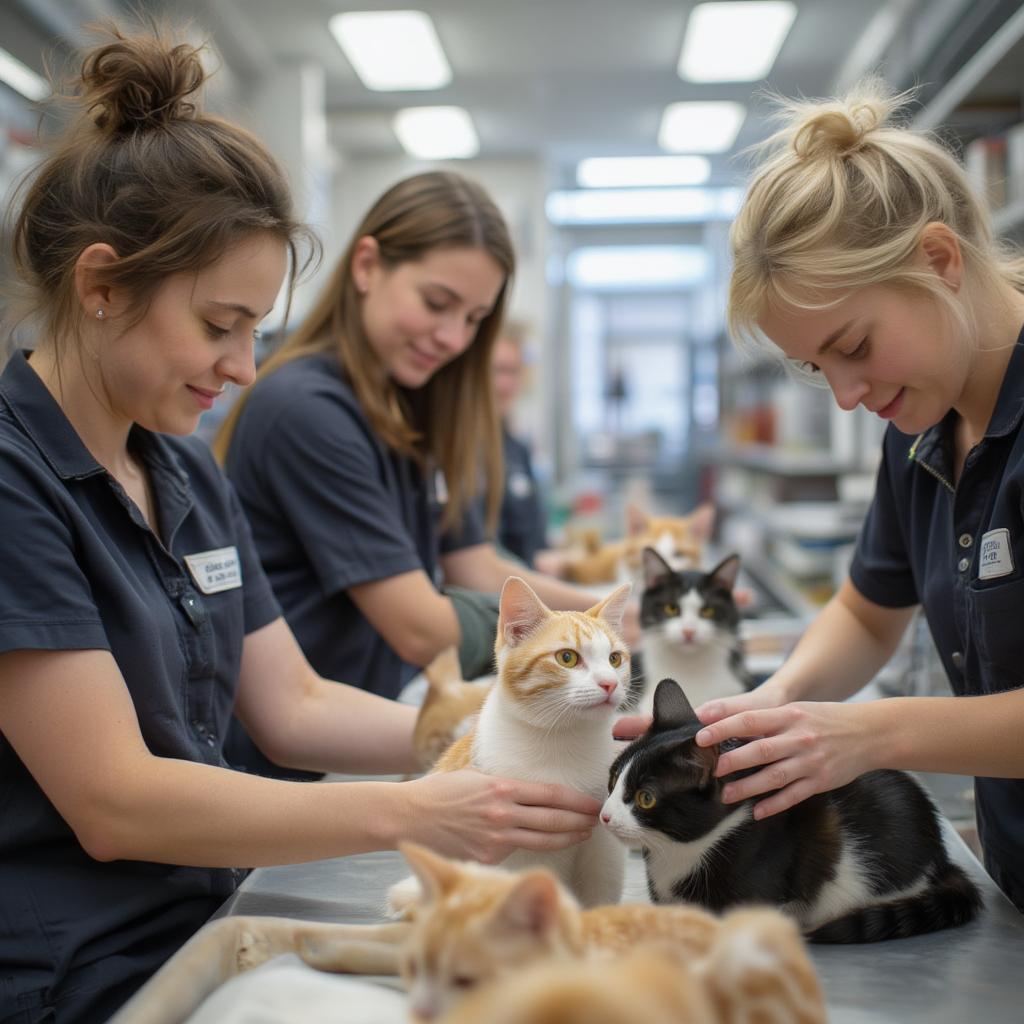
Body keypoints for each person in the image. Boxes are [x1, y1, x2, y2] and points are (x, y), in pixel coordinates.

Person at [0, 28, 599, 1021]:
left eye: (256, 332)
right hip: (78, 974)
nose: (242, 368)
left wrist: (518, 735)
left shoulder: (183, 464)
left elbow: (294, 703)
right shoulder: (18, 482)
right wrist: (418, 807)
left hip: (210, 916)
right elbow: (112, 799)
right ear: (100, 286)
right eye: (218, 325)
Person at [638, 80, 1024, 911]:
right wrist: (771, 709)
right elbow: (864, 614)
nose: (847, 395)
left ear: (940, 260)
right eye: (820, 368)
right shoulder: (921, 430)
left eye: (853, 346)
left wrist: (870, 732)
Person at [216, 170, 632, 718]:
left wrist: (610, 619)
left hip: (387, 708)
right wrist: (537, 630)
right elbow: (419, 628)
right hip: (319, 740)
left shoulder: (413, 403)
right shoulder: (305, 410)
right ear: (367, 266)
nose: (454, 338)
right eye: (437, 303)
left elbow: (472, 562)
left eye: (473, 320)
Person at [489, 319, 550, 567]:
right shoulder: (464, 452)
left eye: (513, 372)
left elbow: (535, 546)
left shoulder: (517, 449)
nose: (505, 384)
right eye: (496, 370)